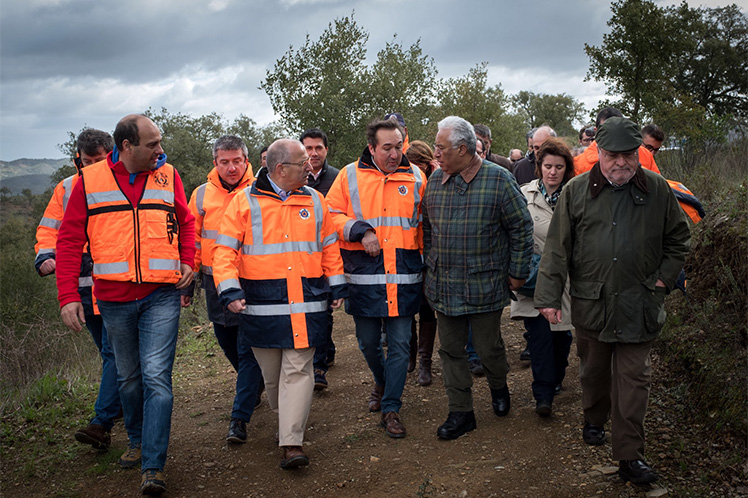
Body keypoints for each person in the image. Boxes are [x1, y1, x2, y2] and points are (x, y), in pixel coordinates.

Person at [535, 117, 690, 485]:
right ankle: (594, 416)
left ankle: (629, 456)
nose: (620, 163)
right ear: (598, 153)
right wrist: (548, 296)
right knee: (594, 372)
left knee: (634, 380)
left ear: (638, 153)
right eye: (612, 155)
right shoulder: (576, 191)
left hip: (641, 303)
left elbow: (679, 239)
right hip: (593, 304)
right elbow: (557, 249)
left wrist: (663, 279)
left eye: (628, 155)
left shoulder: (657, 189)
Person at [56, 114, 196, 496]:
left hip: (161, 295)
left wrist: (188, 260)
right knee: (129, 379)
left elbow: (186, 221)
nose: (160, 150)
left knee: (156, 377)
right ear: (127, 147)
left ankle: (153, 465)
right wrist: (68, 296)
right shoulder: (89, 182)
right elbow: (67, 242)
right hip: (113, 299)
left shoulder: (170, 176)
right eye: (152, 144)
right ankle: (135, 439)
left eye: (160, 142)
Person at [212, 139, 347, 469]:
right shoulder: (243, 203)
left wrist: (337, 283)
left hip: (307, 304)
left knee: (298, 370)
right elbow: (224, 252)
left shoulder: (315, 200)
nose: (310, 166)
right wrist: (230, 292)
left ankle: (292, 441)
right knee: (272, 377)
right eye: (303, 163)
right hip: (261, 308)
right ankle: (287, 420)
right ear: (280, 169)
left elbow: (329, 246)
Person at [423, 116, 533, 440]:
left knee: (489, 348)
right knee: (451, 350)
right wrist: (432, 262)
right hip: (444, 284)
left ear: (462, 149)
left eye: (440, 148)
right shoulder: (434, 181)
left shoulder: (498, 179)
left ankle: (499, 387)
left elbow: (521, 228)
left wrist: (517, 273)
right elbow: (427, 228)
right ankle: (461, 412)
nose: (436, 153)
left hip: (484, 284)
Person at [326, 119, 427, 438]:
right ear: (372, 148)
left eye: (399, 146)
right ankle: (382, 381)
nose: (395, 153)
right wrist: (360, 230)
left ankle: (391, 406)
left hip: (405, 276)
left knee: (399, 343)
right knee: (368, 343)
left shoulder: (416, 176)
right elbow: (329, 216)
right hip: (364, 277)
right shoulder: (348, 175)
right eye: (388, 148)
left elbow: (423, 224)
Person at [35, 128, 121, 451]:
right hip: (84, 289)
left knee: (114, 353)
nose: (93, 166)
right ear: (78, 160)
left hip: (115, 286)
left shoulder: (123, 183)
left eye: (99, 160)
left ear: (111, 155)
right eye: (87, 161)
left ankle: (101, 422)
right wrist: (45, 255)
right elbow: (49, 229)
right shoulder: (68, 188)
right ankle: (123, 403)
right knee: (108, 353)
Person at [183, 135, 264, 445]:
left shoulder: (260, 189)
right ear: (215, 163)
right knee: (227, 341)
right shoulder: (201, 194)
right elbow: (193, 239)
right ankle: (253, 385)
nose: (231, 167)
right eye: (224, 162)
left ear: (246, 161)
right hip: (213, 281)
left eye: (236, 161)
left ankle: (238, 419)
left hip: (252, 280)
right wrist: (188, 283)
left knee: (248, 350)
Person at [509, 138, 575, 418]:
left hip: (567, 278)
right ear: (539, 166)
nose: (552, 172)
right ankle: (543, 394)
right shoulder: (523, 194)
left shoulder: (577, 194)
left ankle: (556, 378)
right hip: (534, 275)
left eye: (559, 167)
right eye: (548, 166)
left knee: (561, 338)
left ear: (566, 168)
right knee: (539, 338)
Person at [300, 128, 341, 390]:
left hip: (327, 255)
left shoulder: (338, 178)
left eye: (319, 148)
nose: (314, 153)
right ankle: (326, 349)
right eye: (308, 148)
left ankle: (318, 367)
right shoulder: (291, 178)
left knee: (323, 311)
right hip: (299, 257)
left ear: (326, 150)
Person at [404, 141, 439, 386]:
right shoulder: (404, 181)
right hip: (407, 251)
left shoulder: (437, 181)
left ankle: (425, 361)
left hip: (431, 252)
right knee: (407, 307)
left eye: (419, 165)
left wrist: (436, 175)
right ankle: (410, 355)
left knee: (427, 307)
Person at [575, 107, 660, 175]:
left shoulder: (645, 155)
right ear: (596, 131)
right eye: (607, 130)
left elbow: (657, 186)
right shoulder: (578, 163)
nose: (621, 162)